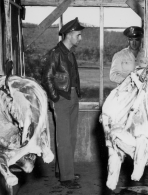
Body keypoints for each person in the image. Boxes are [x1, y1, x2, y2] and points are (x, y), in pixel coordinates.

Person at [42, 17, 84, 189]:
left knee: (71, 137)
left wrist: (75, 95)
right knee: (64, 139)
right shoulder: (55, 53)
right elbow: (46, 78)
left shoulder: (70, 53)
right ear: (69, 35)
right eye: (78, 35)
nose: (80, 39)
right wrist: (56, 98)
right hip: (62, 99)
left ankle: (63, 170)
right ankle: (67, 178)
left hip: (73, 97)